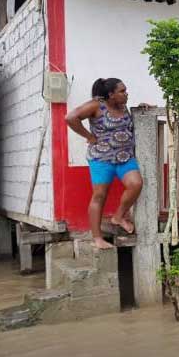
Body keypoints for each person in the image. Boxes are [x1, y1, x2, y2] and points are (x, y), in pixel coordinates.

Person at [66, 78, 143, 249]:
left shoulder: (122, 107)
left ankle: (118, 216)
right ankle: (97, 238)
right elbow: (71, 117)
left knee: (136, 184)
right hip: (102, 159)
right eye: (122, 91)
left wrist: (142, 107)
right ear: (111, 95)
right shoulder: (96, 105)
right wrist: (89, 136)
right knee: (99, 196)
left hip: (125, 158)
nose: (126, 94)